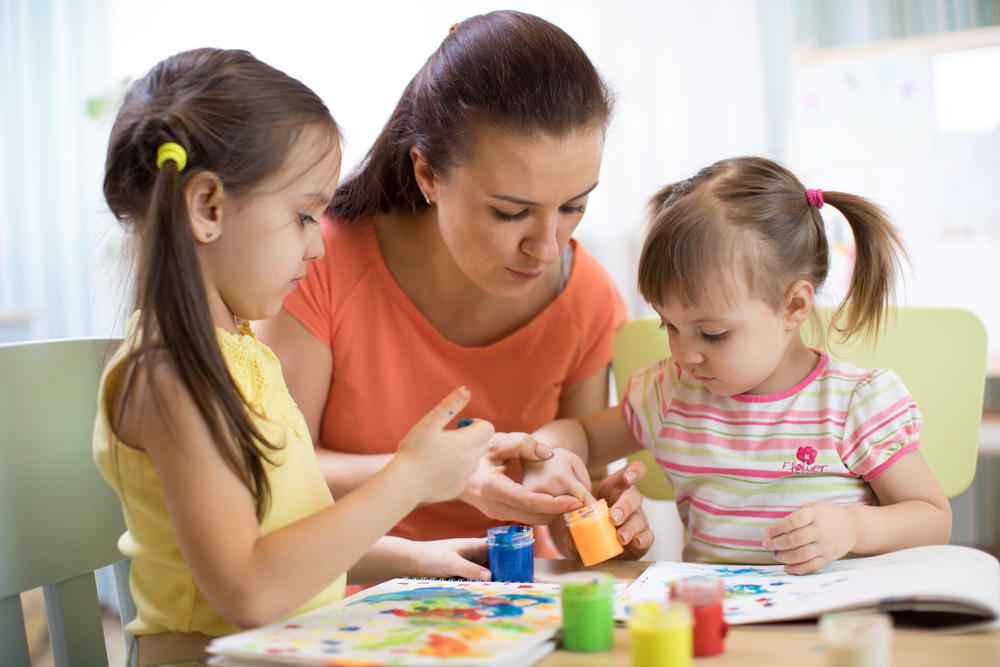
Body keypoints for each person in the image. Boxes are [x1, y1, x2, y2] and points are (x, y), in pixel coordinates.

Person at [93, 48, 495, 666]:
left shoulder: (242, 353)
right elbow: (250, 588)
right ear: (207, 207)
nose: (316, 247)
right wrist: (408, 477)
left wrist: (419, 559)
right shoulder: (168, 376)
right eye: (305, 215)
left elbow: (286, 541)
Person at [257, 10, 651, 556]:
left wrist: (584, 515)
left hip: (516, 608)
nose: (546, 246)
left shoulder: (586, 295)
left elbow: (570, 484)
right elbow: (278, 478)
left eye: (574, 206)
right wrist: (436, 475)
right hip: (346, 597)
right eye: (511, 213)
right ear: (428, 175)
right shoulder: (315, 261)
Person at [517, 156, 952, 574]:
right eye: (669, 325)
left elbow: (933, 518)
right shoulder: (671, 393)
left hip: (834, 628)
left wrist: (854, 528)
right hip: (720, 625)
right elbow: (584, 437)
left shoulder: (854, 403)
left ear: (794, 306)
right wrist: (546, 452)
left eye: (713, 334)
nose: (685, 354)